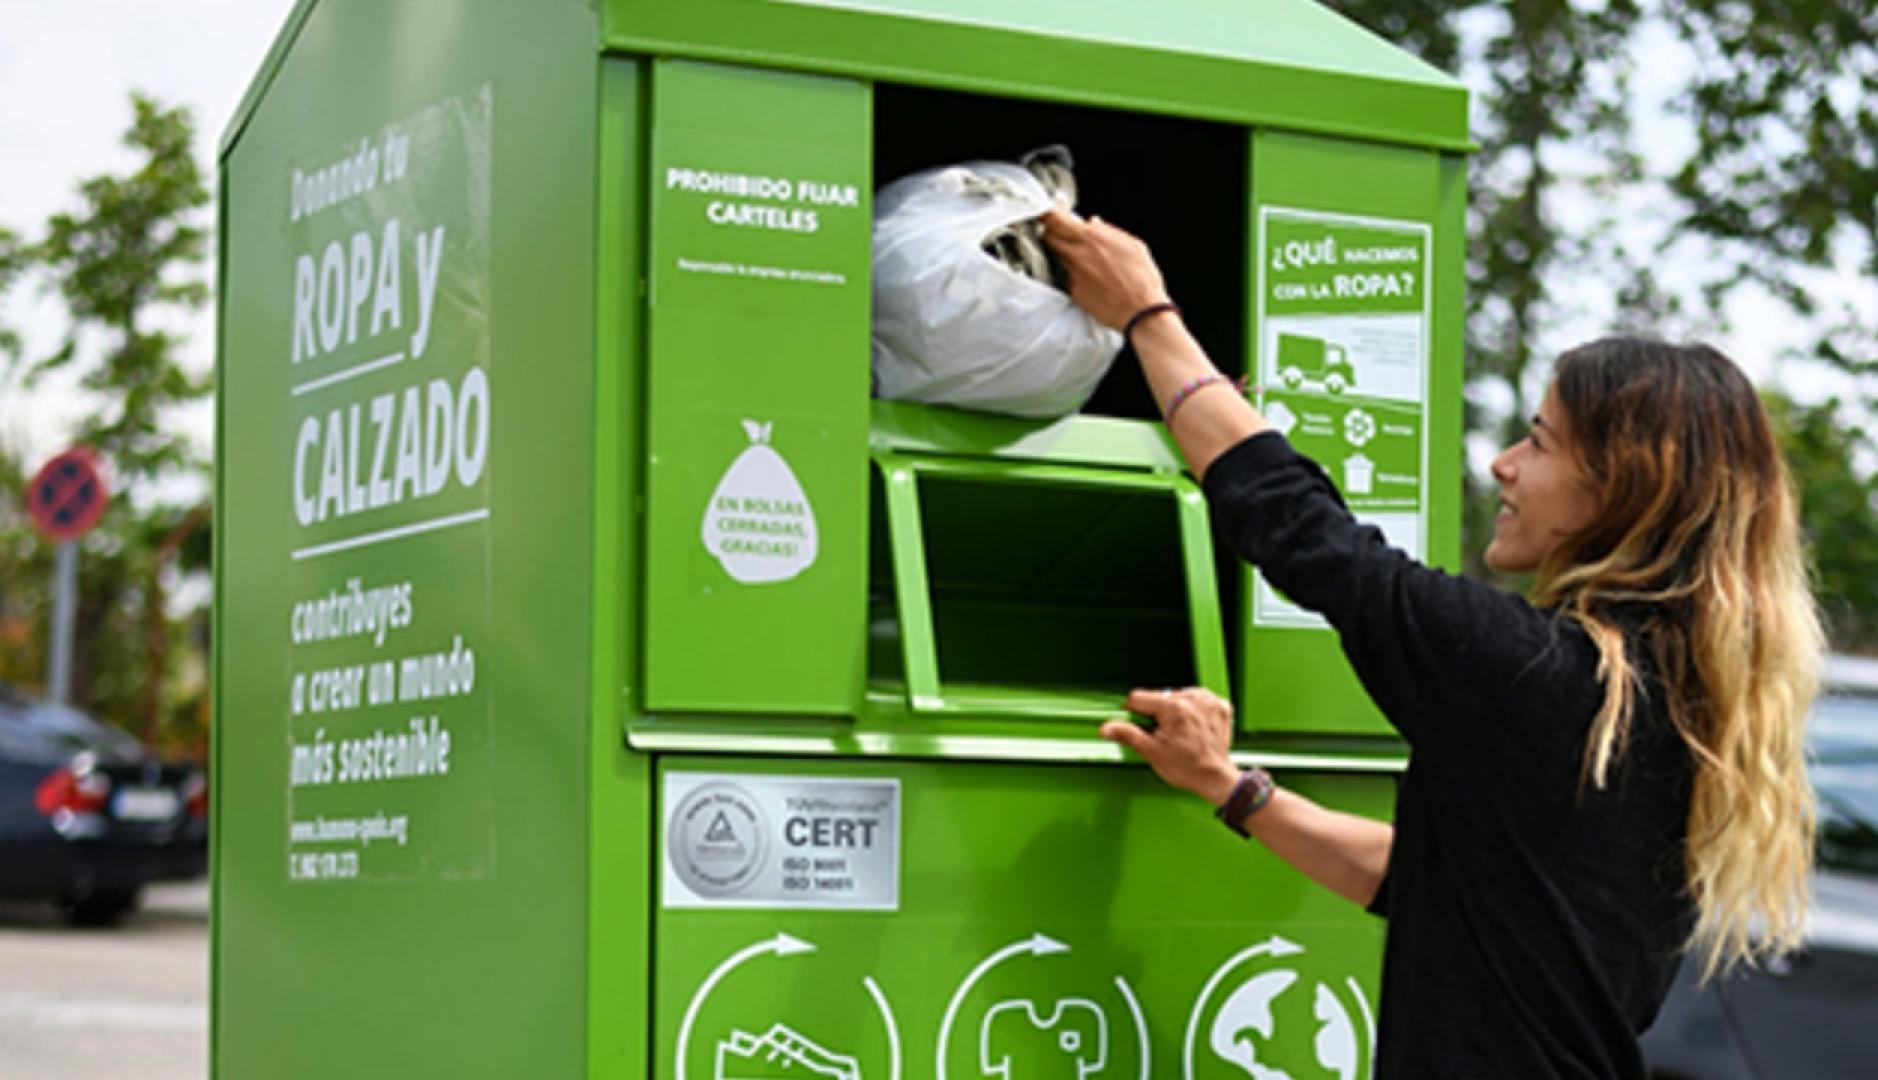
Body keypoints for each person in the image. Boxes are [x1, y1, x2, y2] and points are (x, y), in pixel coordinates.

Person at [1042, 209, 1823, 1078]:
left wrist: (1150, 316)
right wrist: (1231, 788)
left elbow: (1305, 531)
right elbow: (1435, 883)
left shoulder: (1539, 675)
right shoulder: (1676, 704)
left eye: (1539, 441)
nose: (1504, 465)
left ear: (1616, 491)